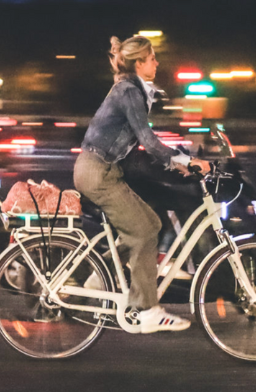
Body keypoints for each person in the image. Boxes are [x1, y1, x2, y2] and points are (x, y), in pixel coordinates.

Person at [74, 35, 210, 334]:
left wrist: (178, 163)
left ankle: (99, 276)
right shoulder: (128, 91)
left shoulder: (134, 90)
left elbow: (144, 143)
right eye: (152, 58)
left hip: (104, 170)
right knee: (144, 231)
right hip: (98, 172)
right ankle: (147, 309)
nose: (157, 63)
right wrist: (187, 162)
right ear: (139, 63)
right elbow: (148, 141)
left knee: (150, 223)